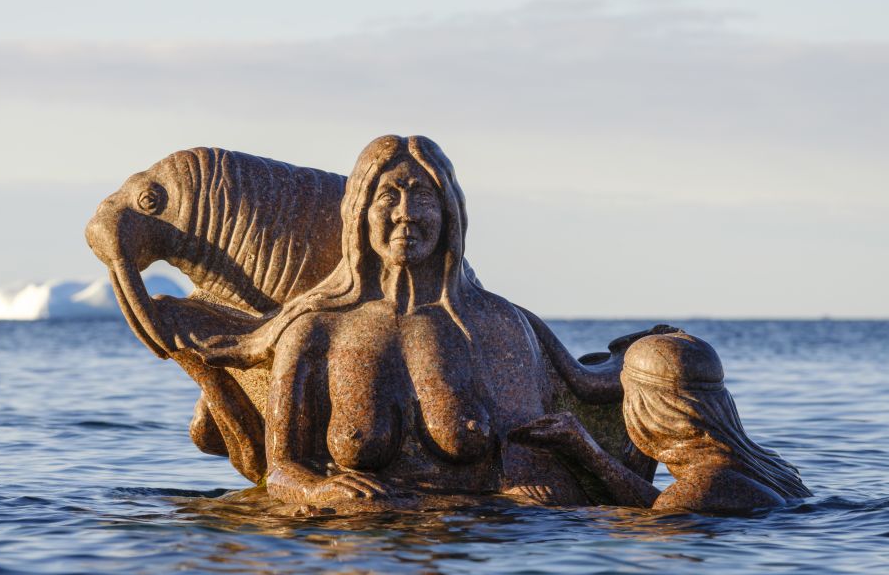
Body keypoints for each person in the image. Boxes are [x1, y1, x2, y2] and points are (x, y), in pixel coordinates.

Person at [189, 134, 622, 506]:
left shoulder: (496, 324)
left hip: (472, 549)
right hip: (361, 555)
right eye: (388, 196)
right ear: (359, 213)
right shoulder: (315, 330)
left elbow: (531, 462)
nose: (405, 212)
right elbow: (283, 470)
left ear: (449, 214)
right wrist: (319, 492)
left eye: (423, 196)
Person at [511, 331, 811, 512]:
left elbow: (662, 513)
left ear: (649, 409)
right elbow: (662, 503)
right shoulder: (771, 465)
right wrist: (591, 454)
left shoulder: (701, 487)